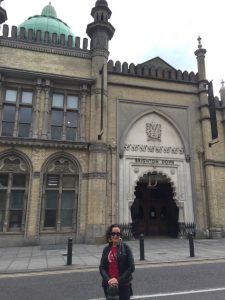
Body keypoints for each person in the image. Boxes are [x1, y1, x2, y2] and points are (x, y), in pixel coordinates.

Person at [99, 224, 135, 300]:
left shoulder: (126, 248)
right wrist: (108, 280)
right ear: (110, 235)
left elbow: (131, 267)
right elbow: (102, 267)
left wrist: (118, 280)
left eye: (118, 234)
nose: (115, 236)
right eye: (113, 234)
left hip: (123, 285)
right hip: (109, 285)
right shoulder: (106, 249)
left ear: (120, 235)